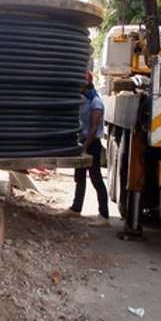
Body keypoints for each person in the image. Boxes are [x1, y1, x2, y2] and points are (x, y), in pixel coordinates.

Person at [68, 72, 109, 226]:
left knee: (96, 177)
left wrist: (85, 147)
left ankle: (104, 216)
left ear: (86, 83)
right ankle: (76, 208)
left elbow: (93, 128)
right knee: (79, 176)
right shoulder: (85, 100)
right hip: (84, 141)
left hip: (92, 144)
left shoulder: (96, 102)